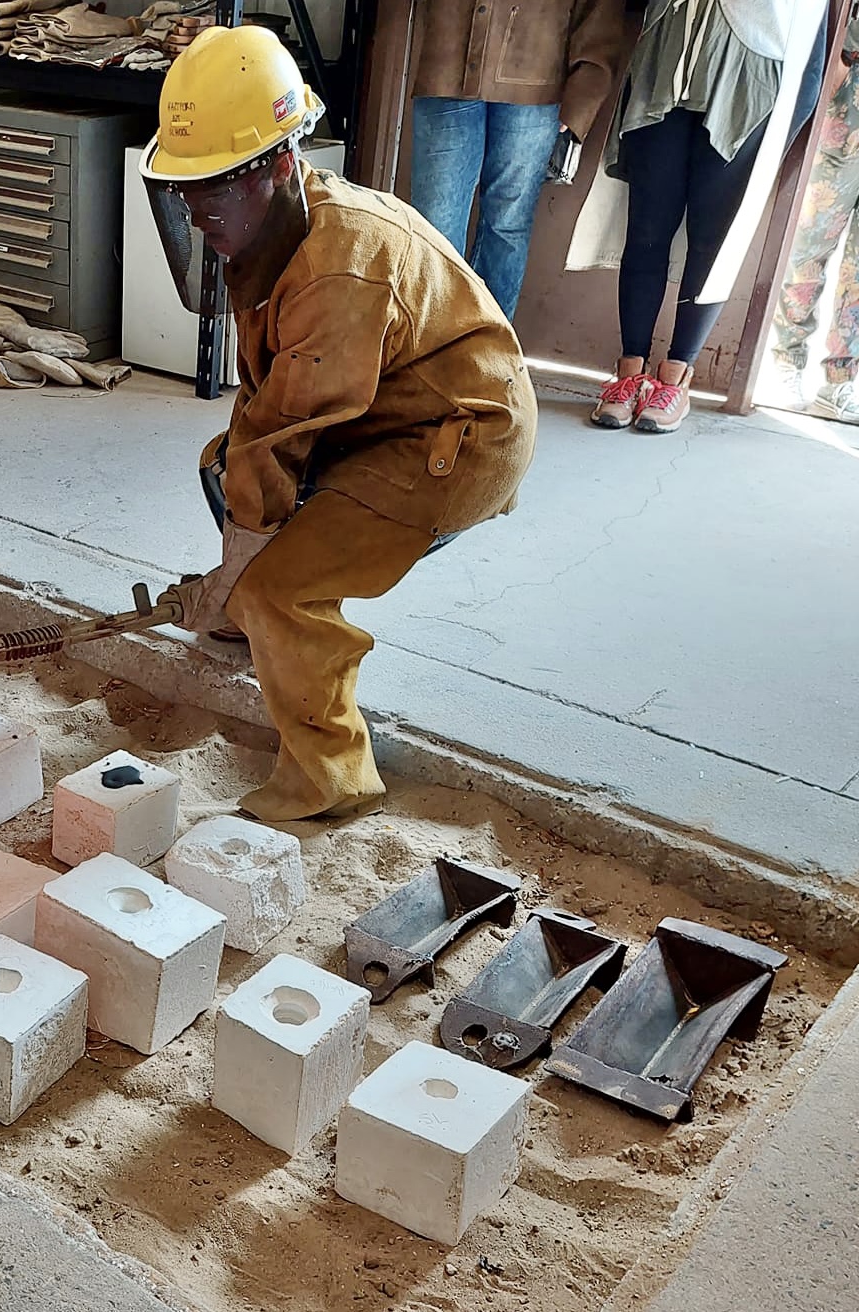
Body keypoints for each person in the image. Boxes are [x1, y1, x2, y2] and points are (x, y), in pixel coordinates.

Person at [140, 26, 538, 824]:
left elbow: (284, 434)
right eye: (188, 191)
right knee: (226, 469)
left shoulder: (341, 270)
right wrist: (232, 575)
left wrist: (244, 580)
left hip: (454, 440)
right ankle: (250, 620)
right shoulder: (285, 228)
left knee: (283, 590)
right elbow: (263, 417)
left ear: (283, 163)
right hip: (389, 414)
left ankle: (329, 779)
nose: (198, 210)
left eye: (216, 188)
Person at [573, 0, 828, 434]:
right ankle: (628, 373)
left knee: (712, 238)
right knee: (647, 228)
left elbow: (810, 36)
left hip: (751, 76)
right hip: (667, 58)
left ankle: (676, 377)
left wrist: (782, 133)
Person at [410, 0, 628, 319]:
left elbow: (601, 12)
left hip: (537, 82)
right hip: (447, 66)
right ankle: (427, 344)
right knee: (434, 220)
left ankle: (489, 351)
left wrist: (582, 95)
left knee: (507, 223)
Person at [769, 12, 859, 423]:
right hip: (849, 95)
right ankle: (786, 362)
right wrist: (837, 63)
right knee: (809, 243)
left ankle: (840, 380)